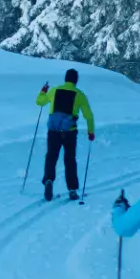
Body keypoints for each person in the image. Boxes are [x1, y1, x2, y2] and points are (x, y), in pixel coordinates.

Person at [35, 68, 96, 201]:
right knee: (69, 160)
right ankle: (72, 189)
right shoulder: (79, 94)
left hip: (53, 130)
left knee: (51, 156)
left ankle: (49, 180)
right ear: (76, 80)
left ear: (65, 78)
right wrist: (91, 132)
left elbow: (39, 102)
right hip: (70, 132)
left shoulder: (54, 90)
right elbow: (89, 116)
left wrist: (43, 91)